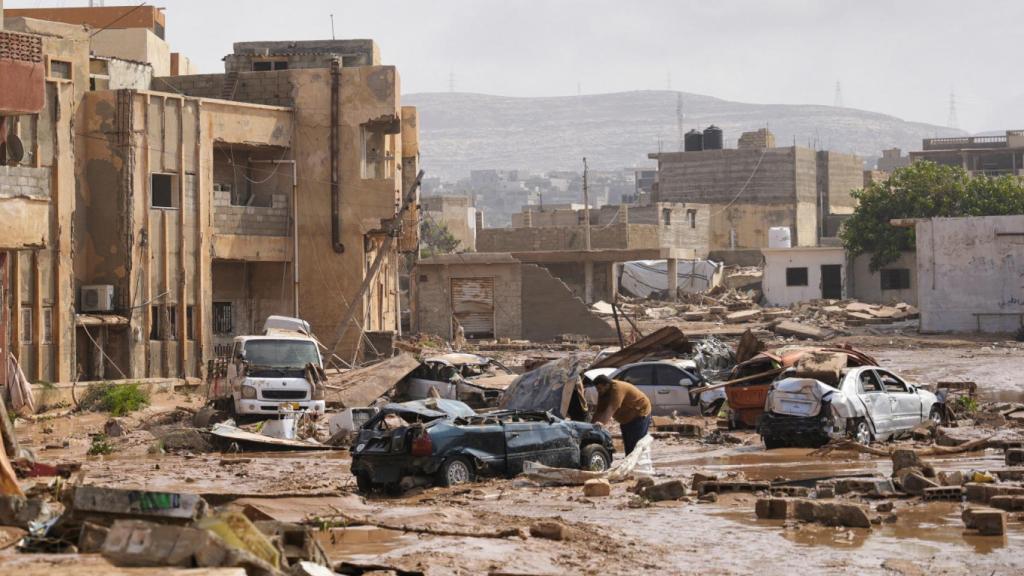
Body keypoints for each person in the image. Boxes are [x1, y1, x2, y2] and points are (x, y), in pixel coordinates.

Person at [592, 374, 652, 456]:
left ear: (607, 385)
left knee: (636, 444)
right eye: (596, 389)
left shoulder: (617, 388)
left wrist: (601, 424)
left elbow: (612, 408)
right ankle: (629, 464)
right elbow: (599, 411)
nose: (598, 391)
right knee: (628, 444)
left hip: (640, 413)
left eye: (599, 388)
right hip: (626, 418)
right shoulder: (603, 392)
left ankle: (639, 465)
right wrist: (590, 427)